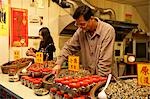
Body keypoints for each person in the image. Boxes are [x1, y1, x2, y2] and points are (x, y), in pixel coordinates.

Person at [53, 5, 115, 77]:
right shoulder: (80, 31)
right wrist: (58, 63)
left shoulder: (107, 30)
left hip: (105, 78)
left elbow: (105, 61)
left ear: (91, 19)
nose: (80, 27)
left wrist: (98, 80)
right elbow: (69, 47)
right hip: (89, 76)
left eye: (82, 24)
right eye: (77, 24)